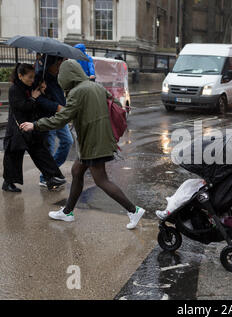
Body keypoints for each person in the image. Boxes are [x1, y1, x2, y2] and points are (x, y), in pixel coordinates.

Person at [20, 60, 145, 230]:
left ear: (67, 76)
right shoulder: (95, 86)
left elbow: (62, 118)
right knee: (77, 171)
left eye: (61, 75)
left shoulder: (78, 92)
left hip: (94, 142)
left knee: (101, 180)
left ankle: (133, 210)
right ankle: (67, 212)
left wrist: (35, 125)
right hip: (97, 139)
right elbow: (115, 104)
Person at [2, 64, 65, 192]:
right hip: (18, 129)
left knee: (40, 152)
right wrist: (33, 98)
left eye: (33, 77)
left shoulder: (30, 87)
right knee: (13, 157)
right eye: (29, 77)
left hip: (30, 127)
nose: (32, 80)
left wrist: (41, 90)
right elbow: (22, 106)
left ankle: (52, 177)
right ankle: (8, 182)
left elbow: (39, 104)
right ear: (20, 76)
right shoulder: (14, 89)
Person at [35, 55, 74, 187]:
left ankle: (53, 171)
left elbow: (61, 95)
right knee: (49, 147)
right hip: (47, 117)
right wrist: (56, 106)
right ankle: (46, 177)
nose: (62, 64)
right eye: (60, 62)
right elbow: (38, 99)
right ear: (55, 62)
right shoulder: (40, 77)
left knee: (68, 141)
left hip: (60, 116)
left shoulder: (59, 76)